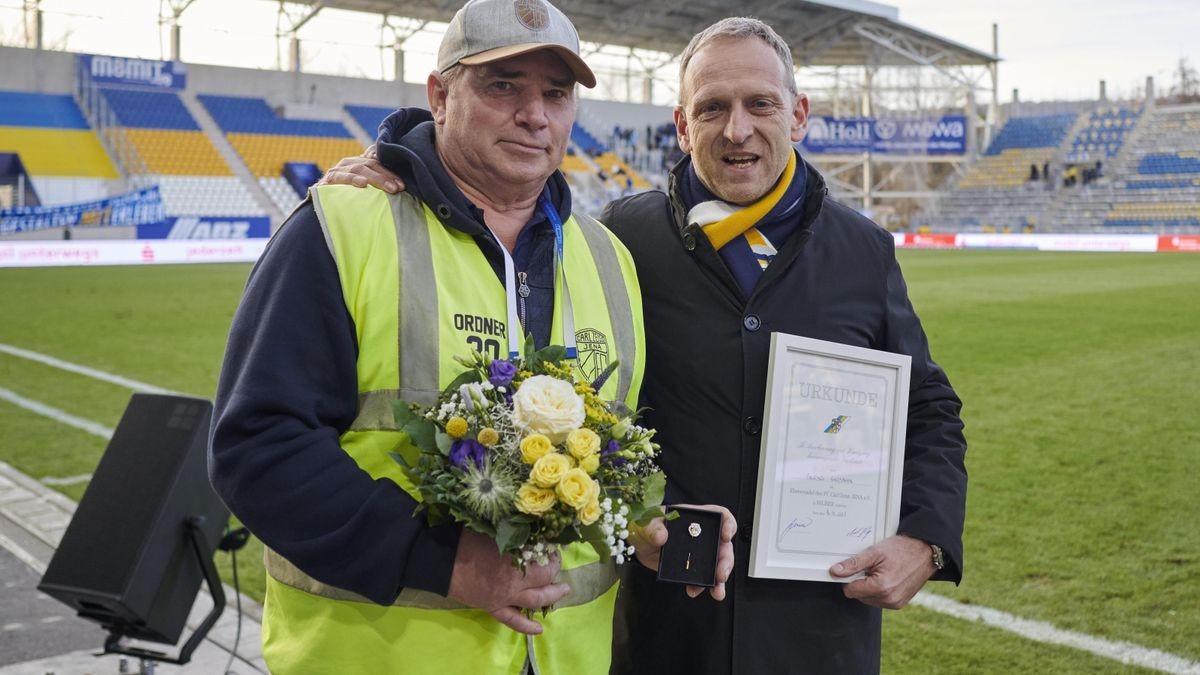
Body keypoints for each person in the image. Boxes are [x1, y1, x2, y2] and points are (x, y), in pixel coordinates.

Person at [322, 16, 966, 674]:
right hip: (666, 630)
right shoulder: (619, 240)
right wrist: (401, 161)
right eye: (712, 108)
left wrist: (928, 537)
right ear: (682, 126)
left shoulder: (862, 250)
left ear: (797, 115)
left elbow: (928, 405)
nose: (737, 129)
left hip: (819, 632)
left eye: (760, 104)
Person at [208, 1, 731, 673]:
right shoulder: (342, 229)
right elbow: (257, 447)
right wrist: (442, 560)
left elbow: (614, 448)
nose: (534, 114)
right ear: (439, 96)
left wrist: (644, 521)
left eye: (556, 93)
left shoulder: (608, 258)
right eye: (502, 85)